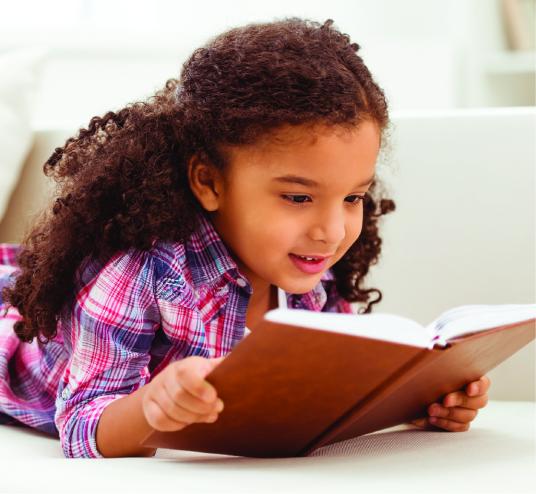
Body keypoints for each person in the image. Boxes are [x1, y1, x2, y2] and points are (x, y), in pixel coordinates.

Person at [0, 17, 490, 459]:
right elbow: (82, 426)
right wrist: (150, 406)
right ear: (210, 183)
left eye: (353, 197)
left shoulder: (309, 272)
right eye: (298, 198)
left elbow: (332, 393)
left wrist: (420, 400)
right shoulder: (141, 272)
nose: (333, 231)